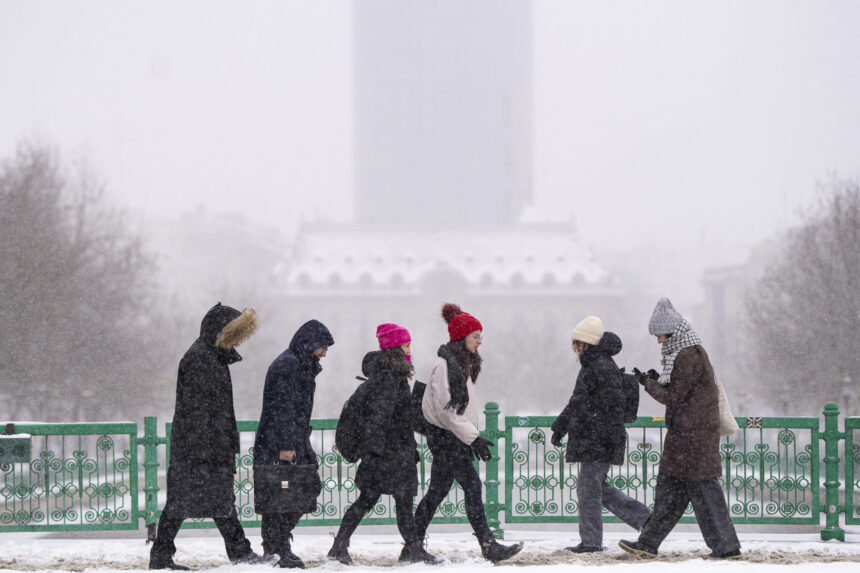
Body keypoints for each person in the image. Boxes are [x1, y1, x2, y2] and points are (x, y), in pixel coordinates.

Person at [619, 298, 741, 560]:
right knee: (673, 494)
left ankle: (726, 548)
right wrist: (654, 379)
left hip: (691, 440)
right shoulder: (689, 352)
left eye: (660, 335)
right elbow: (679, 390)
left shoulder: (687, 356)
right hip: (689, 439)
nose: (659, 341)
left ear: (672, 332)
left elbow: (673, 396)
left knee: (700, 494)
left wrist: (648, 383)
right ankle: (648, 543)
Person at [149, 303, 263, 570]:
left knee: (217, 501)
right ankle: (163, 556)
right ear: (221, 332)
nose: (237, 341)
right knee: (185, 503)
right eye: (235, 334)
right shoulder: (201, 359)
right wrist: (210, 450)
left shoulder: (209, 357)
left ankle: (237, 551)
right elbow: (200, 412)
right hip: (200, 449)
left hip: (202, 447)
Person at [412, 303, 523, 564]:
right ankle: (488, 545)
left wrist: (470, 436)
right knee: (472, 486)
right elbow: (447, 412)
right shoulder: (444, 367)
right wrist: (474, 437)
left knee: (437, 492)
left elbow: (457, 410)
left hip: (453, 439)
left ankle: (412, 543)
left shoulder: (461, 365)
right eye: (475, 337)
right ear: (461, 338)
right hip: (447, 439)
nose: (480, 342)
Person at [326, 323, 442, 565]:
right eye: (407, 345)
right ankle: (412, 550)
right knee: (392, 503)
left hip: (389, 454)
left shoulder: (389, 376)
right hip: (390, 456)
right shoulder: (389, 379)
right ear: (395, 348)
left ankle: (341, 546)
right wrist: (380, 452)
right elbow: (381, 419)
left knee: (374, 502)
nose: (410, 350)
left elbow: (393, 417)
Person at [550, 316, 652, 553]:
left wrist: (596, 433)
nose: (574, 348)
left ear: (587, 344)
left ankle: (592, 542)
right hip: (597, 439)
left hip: (598, 440)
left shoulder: (600, 366)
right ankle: (646, 519)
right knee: (596, 489)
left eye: (577, 342)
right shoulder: (596, 365)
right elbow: (578, 402)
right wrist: (560, 427)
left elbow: (610, 406)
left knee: (588, 490)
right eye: (573, 343)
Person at [254, 319, 335, 568]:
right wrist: (286, 445)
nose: (324, 353)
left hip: (290, 438)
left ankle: (276, 545)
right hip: (282, 441)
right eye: (323, 347)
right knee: (287, 493)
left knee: (287, 492)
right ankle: (278, 546)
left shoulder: (299, 363)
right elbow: (283, 408)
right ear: (310, 343)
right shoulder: (288, 366)